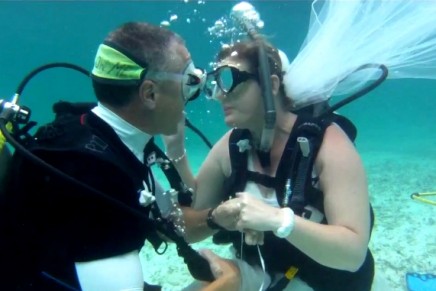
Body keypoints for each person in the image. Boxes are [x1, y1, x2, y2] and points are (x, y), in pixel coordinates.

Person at [0, 21, 227, 290]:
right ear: (150, 94)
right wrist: (230, 283)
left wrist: (221, 217)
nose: (195, 94)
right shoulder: (96, 177)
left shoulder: (101, 134)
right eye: (189, 81)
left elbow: (169, 220)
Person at [165, 38, 374, 290]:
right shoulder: (231, 146)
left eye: (230, 79)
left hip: (326, 282)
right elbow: (191, 229)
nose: (219, 95)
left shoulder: (328, 144)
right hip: (263, 272)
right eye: (216, 83)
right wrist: (177, 155)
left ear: (272, 85)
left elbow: (352, 256)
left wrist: (278, 220)